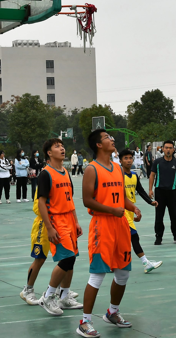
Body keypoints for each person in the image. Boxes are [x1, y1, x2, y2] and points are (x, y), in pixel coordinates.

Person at [77, 129, 140, 337]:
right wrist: (112, 210)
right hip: (102, 226)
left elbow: (121, 197)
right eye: (106, 138)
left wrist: (133, 207)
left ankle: (112, 312)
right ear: (98, 145)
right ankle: (85, 322)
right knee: (97, 275)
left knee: (123, 273)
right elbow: (87, 200)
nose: (112, 140)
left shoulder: (117, 168)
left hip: (120, 226)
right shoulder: (92, 169)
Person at [20, 152, 79, 307]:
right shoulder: (46, 177)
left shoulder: (63, 174)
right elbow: (39, 205)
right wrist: (49, 223)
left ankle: (63, 291)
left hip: (61, 222)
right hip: (44, 223)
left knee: (67, 256)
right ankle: (28, 289)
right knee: (40, 257)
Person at [36, 138, 84, 316]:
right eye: (57, 147)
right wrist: (49, 227)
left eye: (62, 146)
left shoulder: (65, 172)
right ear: (49, 153)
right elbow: (41, 203)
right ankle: (48, 296)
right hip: (56, 220)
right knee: (67, 258)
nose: (62, 149)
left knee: (72, 258)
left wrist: (76, 221)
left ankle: (64, 296)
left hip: (69, 219)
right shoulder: (45, 174)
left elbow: (69, 199)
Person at [119, 149, 162, 273]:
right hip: (122, 211)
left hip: (131, 210)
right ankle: (146, 263)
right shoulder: (118, 176)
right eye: (125, 158)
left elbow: (141, 190)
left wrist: (150, 202)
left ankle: (111, 263)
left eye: (130, 158)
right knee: (134, 236)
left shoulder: (134, 175)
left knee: (121, 239)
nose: (128, 160)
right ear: (120, 161)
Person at [149, 140, 176, 245]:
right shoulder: (157, 162)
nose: (168, 150)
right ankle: (158, 237)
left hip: (172, 192)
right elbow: (152, 175)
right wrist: (150, 189)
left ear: (173, 150)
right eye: (166, 148)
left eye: (170, 148)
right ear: (163, 149)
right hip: (159, 192)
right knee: (159, 216)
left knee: (174, 216)